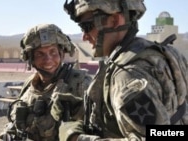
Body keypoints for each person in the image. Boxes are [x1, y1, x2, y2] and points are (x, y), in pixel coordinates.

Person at [50, 0, 188, 141]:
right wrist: (80, 107)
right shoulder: (164, 53)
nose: (84, 36)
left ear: (114, 20)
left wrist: (76, 138)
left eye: (87, 26)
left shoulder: (127, 74)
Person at [0, 23, 92, 141]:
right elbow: (17, 127)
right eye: (40, 54)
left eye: (53, 52)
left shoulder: (81, 83)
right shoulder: (29, 84)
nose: (48, 60)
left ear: (61, 53)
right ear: (31, 58)